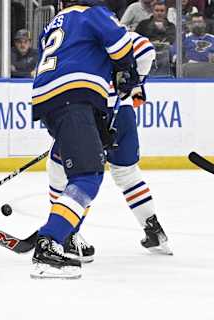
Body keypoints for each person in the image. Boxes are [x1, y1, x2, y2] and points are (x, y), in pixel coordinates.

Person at [30, 0, 140, 279]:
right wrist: (128, 73)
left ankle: (63, 231)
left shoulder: (54, 22)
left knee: (75, 171)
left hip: (52, 100)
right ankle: (49, 242)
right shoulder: (92, 13)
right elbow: (121, 44)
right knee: (87, 176)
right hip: (74, 97)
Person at [48, 32, 173, 264]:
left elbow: (145, 49)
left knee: (64, 170)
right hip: (122, 113)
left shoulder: (83, 36)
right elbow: (145, 49)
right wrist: (136, 81)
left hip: (90, 113)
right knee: (127, 174)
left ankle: (66, 232)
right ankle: (154, 230)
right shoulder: (117, 34)